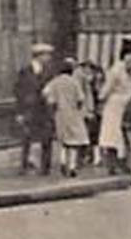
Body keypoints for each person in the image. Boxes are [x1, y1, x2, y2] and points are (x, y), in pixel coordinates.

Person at [43, 57, 93, 177]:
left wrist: (53, 103)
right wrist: (78, 107)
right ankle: (71, 166)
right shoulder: (73, 82)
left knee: (62, 140)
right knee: (74, 142)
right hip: (73, 113)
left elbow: (46, 93)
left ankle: (62, 161)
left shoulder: (55, 81)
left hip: (60, 114)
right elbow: (81, 98)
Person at [14, 42, 56, 175]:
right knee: (27, 137)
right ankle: (24, 165)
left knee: (47, 137)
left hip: (45, 109)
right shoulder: (25, 71)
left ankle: (45, 167)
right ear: (39, 56)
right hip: (29, 109)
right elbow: (19, 92)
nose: (49, 58)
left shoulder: (50, 72)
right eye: (46, 55)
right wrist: (19, 111)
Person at [98, 53, 131, 174]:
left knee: (122, 134)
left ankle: (122, 163)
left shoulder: (128, 72)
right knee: (113, 134)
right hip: (115, 105)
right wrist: (101, 97)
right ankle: (113, 164)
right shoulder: (116, 71)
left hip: (125, 104)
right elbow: (107, 89)